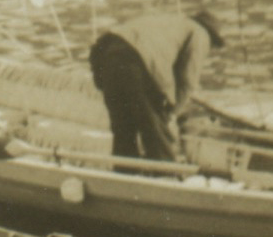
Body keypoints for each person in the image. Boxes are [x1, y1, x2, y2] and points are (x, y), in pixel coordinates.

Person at [88, 10, 225, 164]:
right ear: (212, 36)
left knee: (123, 129)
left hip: (105, 54)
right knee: (155, 132)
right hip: (136, 61)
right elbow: (188, 81)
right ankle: (165, 173)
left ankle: (125, 171)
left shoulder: (171, 21)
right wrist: (172, 113)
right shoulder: (200, 33)